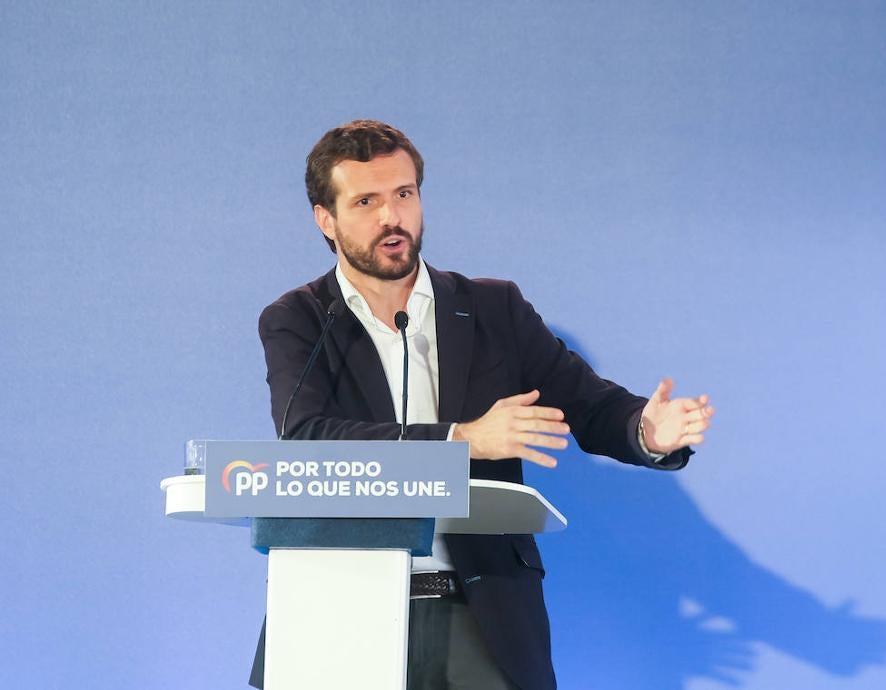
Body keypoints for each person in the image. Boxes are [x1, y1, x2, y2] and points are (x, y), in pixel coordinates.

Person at [250, 119, 714, 690]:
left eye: (404, 194)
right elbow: (307, 437)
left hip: (481, 614)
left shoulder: (494, 310)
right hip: (341, 607)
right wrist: (463, 439)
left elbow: (589, 404)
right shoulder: (298, 319)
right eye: (366, 201)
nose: (391, 216)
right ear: (326, 219)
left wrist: (646, 429)